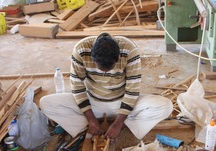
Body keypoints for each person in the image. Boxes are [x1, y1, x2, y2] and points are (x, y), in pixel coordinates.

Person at [40, 33, 173, 140]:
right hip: (92, 103)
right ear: (92, 57)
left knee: (165, 106)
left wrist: (119, 123)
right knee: (46, 103)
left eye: (110, 68)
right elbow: (77, 86)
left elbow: (132, 90)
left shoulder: (129, 50)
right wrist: (91, 118)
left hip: (121, 104)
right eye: (101, 68)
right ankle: (91, 124)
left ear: (118, 57)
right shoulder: (81, 50)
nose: (105, 73)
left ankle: (122, 123)